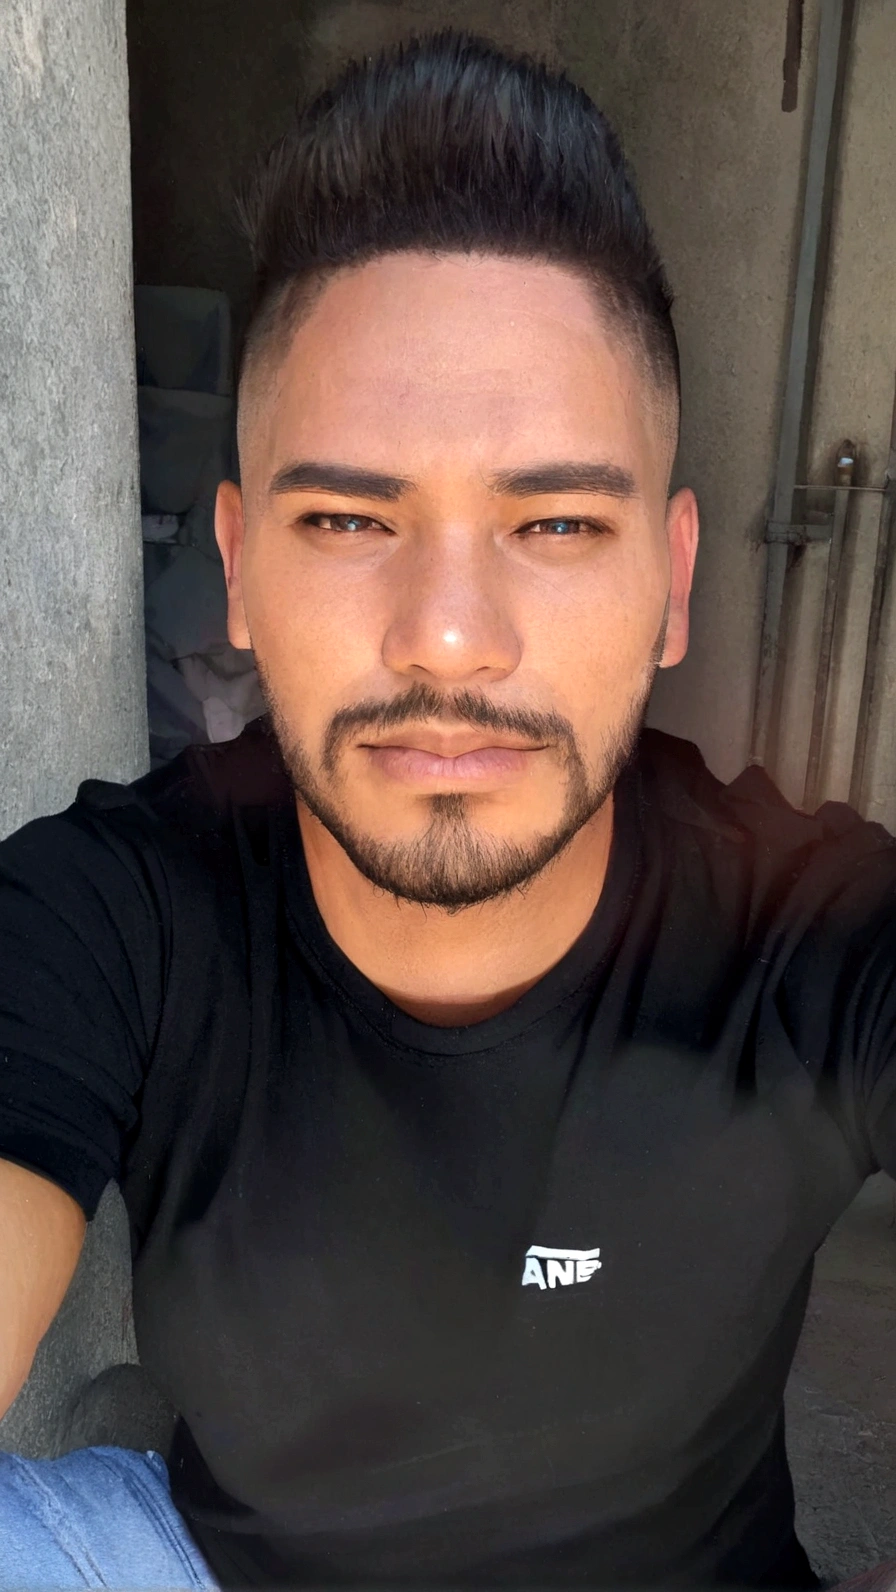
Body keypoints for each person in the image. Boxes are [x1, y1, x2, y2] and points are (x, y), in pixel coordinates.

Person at [1, 27, 894, 1592]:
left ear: (671, 584)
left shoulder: (806, 933)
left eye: (554, 521)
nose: (450, 634)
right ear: (240, 568)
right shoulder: (116, 914)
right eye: (349, 517)